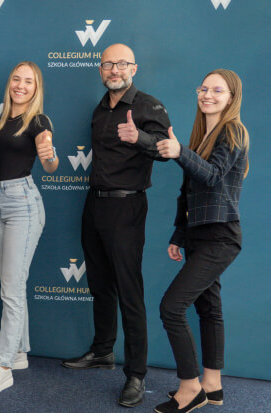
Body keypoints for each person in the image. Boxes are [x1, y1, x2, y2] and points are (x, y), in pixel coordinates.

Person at [60, 43, 171, 408]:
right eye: (108, 64)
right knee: (99, 285)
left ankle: (136, 374)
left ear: (133, 68)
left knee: (129, 291)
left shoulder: (148, 106)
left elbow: (167, 147)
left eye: (121, 64)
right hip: (94, 205)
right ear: (100, 69)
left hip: (127, 207)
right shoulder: (101, 108)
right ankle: (103, 351)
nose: (114, 70)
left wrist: (140, 138)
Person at [153, 69, 248, 413]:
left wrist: (179, 151)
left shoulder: (233, 131)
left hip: (220, 236)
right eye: (203, 89)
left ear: (231, 97)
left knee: (171, 308)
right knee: (208, 309)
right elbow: (189, 192)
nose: (207, 95)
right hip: (198, 235)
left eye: (217, 90)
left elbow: (211, 176)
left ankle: (190, 387)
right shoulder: (202, 135)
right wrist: (180, 234)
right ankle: (212, 385)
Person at [0, 61, 58, 396]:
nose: (21, 86)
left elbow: (50, 163)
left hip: (23, 204)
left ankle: (4, 364)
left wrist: (49, 156)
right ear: (10, 83)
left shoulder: (39, 121)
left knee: (10, 290)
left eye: (29, 81)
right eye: (17, 79)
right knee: (13, 285)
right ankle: (20, 351)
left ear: (37, 88)